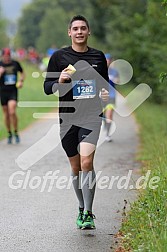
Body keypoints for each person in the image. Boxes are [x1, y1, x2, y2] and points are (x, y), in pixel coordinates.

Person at [44, 15, 109, 229]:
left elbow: (104, 86)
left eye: (83, 28)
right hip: (68, 119)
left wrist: (104, 95)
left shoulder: (98, 57)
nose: (79, 32)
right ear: (69, 33)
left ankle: (89, 213)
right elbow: (47, 88)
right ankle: (81, 207)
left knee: (86, 163)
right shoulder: (59, 57)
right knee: (75, 167)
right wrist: (59, 80)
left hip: (91, 117)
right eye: (76, 29)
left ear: (89, 32)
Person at [0, 48, 25, 144]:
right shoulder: (0, 64)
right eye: (5, 56)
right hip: (3, 92)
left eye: (8, 56)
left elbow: (22, 73)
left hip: (12, 91)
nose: (7, 58)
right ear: (2, 56)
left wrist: (21, 81)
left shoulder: (15, 63)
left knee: (12, 111)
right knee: (6, 114)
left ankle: (16, 132)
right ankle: (9, 133)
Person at [103, 53, 119, 142]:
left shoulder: (114, 71)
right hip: (100, 96)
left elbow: (117, 81)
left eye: (108, 59)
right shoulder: (99, 71)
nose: (107, 61)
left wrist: (115, 80)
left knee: (109, 114)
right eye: (105, 59)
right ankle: (105, 126)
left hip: (111, 96)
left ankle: (107, 135)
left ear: (110, 61)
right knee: (103, 116)